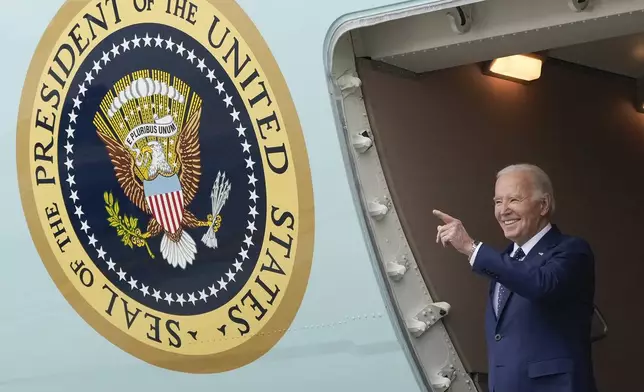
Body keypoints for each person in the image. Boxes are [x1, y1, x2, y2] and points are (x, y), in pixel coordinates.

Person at [434, 164, 597, 392]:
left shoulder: (572, 251)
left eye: (514, 200)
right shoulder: (504, 260)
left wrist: (472, 248)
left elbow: (541, 284)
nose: (503, 210)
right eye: (498, 202)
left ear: (543, 205)